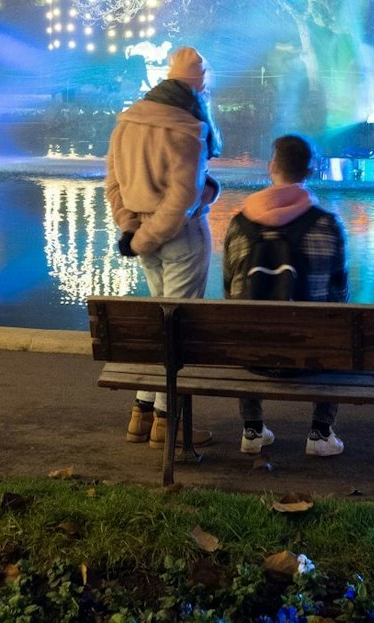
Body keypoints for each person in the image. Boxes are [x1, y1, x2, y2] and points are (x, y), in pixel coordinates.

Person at [105, 45, 221, 451]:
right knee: (179, 331)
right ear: (197, 87)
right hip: (182, 239)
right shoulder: (187, 128)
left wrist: (132, 231)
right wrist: (147, 235)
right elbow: (182, 200)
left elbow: (114, 184)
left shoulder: (129, 120)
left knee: (161, 325)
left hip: (142, 236)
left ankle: (143, 413)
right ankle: (168, 426)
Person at [221, 133, 349, 458]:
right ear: (308, 172)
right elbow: (339, 295)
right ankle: (320, 434)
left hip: (253, 357)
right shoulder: (327, 226)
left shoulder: (238, 225)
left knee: (241, 317)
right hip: (311, 357)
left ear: (271, 167)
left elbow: (229, 290)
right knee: (339, 327)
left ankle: (252, 429)